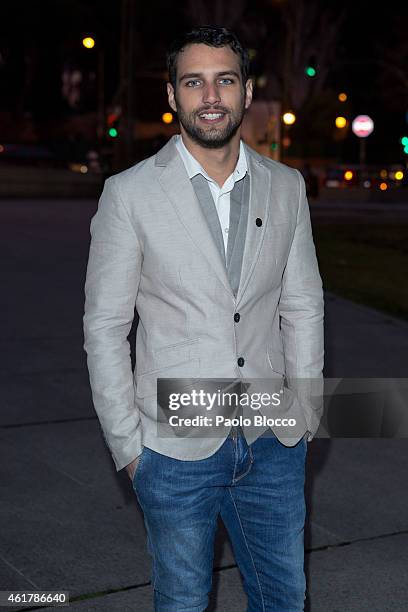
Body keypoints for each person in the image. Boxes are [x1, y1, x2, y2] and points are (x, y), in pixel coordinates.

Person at [83, 25, 324, 612]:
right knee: (184, 602)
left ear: (245, 93)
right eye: (194, 82)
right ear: (172, 96)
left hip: (272, 440)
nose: (210, 95)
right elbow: (106, 327)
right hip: (172, 450)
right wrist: (130, 447)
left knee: (283, 600)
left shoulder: (287, 187)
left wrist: (305, 412)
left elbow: (302, 304)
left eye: (225, 80)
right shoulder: (130, 193)